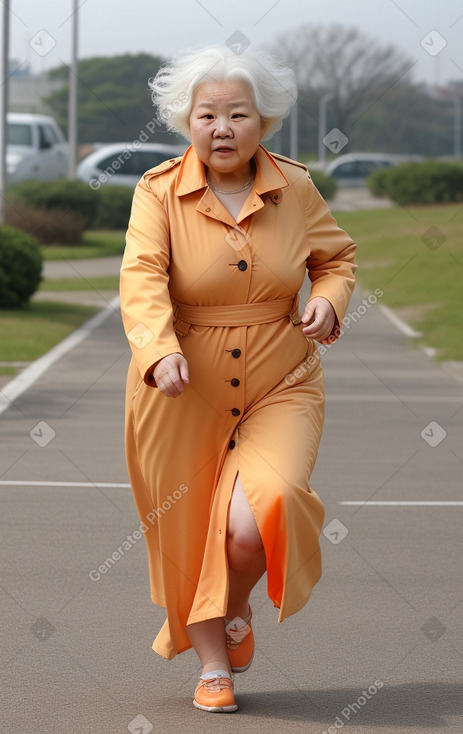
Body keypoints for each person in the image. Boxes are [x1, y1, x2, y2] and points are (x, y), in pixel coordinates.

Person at [120, 44, 356, 714]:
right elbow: (140, 279)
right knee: (188, 529)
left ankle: (233, 607)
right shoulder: (158, 190)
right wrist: (157, 349)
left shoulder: (295, 185)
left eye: (237, 114)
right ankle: (213, 666)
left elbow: (336, 257)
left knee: (264, 512)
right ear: (185, 121)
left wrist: (328, 299)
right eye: (207, 115)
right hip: (179, 383)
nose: (221, 128)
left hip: (282, 378)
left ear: (264, 121)